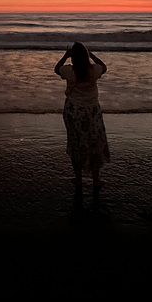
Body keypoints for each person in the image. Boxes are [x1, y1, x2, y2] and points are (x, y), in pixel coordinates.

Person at [55, 42, 110, 191]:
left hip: (73, 111)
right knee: (94, 144)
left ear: (73, 57)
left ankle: (78, 179)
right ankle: (96, 180)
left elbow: (56, 69)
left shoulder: (69, 71)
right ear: (85, 56)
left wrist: (66, 56)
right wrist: (91, 55)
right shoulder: (94, 70)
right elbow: (104, 67)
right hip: (92, 111)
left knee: (76, 143)